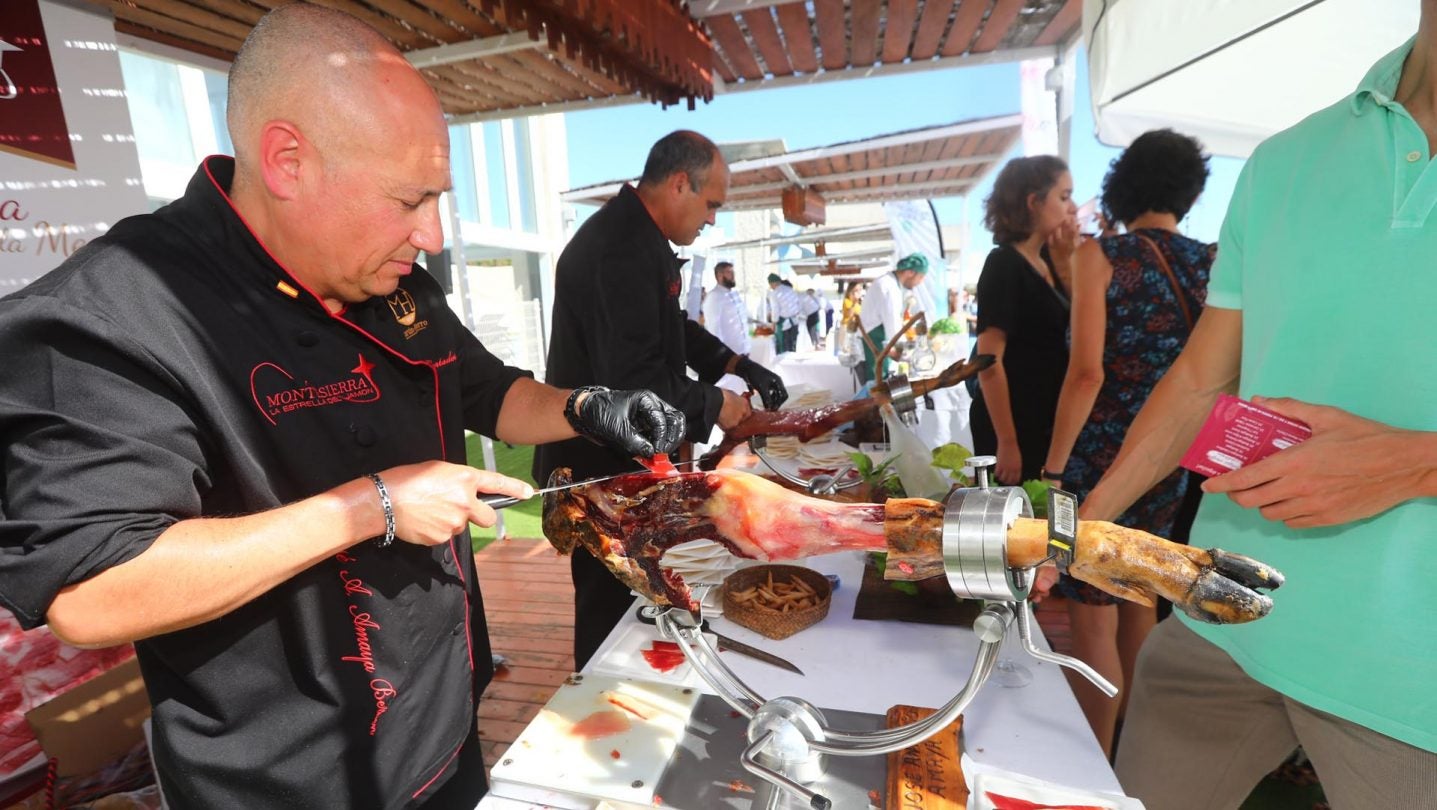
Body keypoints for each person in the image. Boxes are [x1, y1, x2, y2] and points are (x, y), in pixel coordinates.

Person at [0, 5, 688, 809]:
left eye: (439, 197)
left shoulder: (388, 276)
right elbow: (91, 591)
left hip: (445, 724)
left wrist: (587, 406)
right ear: (288, 161)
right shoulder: (119, 312)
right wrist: (372, 507)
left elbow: (487, 392)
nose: (431, 232)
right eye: (409, 199)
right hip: (289, 780)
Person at [1079, 19, 1437, 807]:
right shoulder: (1283, 160)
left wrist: (1418, 461)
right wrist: (1089, 520)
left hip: (1414, 682)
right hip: (1219, 619)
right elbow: (1204, 379)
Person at [535, 130, 787, 670]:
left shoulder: (638, 239)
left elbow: (670, 330)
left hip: (623, 461)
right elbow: (633, 376)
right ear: (680, 184)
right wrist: (717, 403)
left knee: (637, 598)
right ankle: (600, 704)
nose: (714, 219)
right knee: (608, 608)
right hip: (597, 467)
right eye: (712, 203)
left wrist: (737, 364)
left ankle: (628, 689)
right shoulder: (618, 249)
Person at [1040, 129, 1215, 757]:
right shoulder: (1211, 260)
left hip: (1099, 457)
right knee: (1141, 597)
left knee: (1092, 620)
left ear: (1124, 183)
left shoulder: (1103, 255)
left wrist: (1054, 468)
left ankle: (1095, 769)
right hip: (1172, 460)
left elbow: (1086, 374)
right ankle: (1138, 752)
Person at [968, 156, 1078, 485]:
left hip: (1042, 419)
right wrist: (1007, 442)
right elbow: (989, 360)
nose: (1071, 207)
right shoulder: (1005, 263)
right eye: (1064, 196)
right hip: (1012, 423)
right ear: (1034, 202)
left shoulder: (1047, 260)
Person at [858, 253, 928, 383]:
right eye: (921, 277)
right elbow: (893, 326)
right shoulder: (890, 287)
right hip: (874, 343)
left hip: (875, 341)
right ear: (909, 272)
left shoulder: (888, 282)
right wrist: (903, 354)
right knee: (876, 390)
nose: (920, 282)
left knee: (876, 389)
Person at [701, 260, 751, 356]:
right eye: (729, 272)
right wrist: (721, 353)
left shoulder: (734, 294)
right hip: (730, 354)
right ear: (719, 275)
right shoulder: (714, 296)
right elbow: (714, 328)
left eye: (733, 272)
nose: (733, 275)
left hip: (743, 350)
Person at [766, 272, 802, 353]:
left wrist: (773, 324)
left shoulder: (774, 293)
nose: (771, 287)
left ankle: (784, 363)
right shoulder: (791, 290)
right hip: (794, 321)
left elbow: (775, 310)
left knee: (783, 345)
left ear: (773, 283)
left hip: (783, 323)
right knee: (793, 344)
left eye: (770, 284)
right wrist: (795, 313)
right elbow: (799, 304)